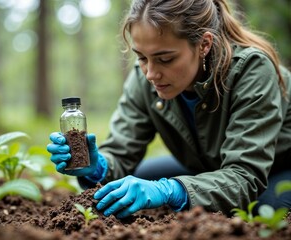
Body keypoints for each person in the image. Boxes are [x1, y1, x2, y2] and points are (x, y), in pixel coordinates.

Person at [47, 0, 291, 218]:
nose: (151, 74)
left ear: (204, 44)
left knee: (262, 209)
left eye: (165, 59)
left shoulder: (252, 70)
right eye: (142, 57)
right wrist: (97, 166)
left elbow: (245, 176)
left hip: (274, 169)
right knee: (126, 186)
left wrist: (170, 190)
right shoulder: (143, 78)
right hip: (210, 168)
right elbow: (120, 155)